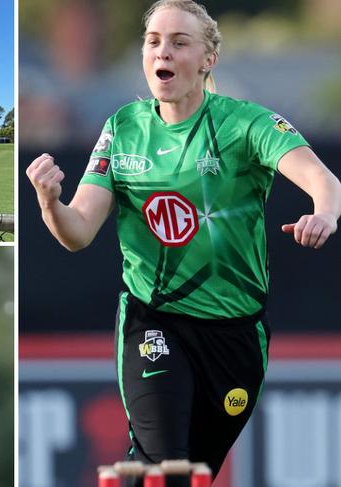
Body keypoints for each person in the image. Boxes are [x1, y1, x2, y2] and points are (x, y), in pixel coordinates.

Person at [26, 0, 341, 485]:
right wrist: (50, 202)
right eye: (153, 41)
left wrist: (323, 213)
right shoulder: (123, 128)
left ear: (207, 59)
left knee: (189, 473)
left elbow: (323, 179)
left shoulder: (247, 124)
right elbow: (78, 232)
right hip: (154, 320)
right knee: (166, 465)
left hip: (236, 335)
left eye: (179, 42)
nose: (162, 51)